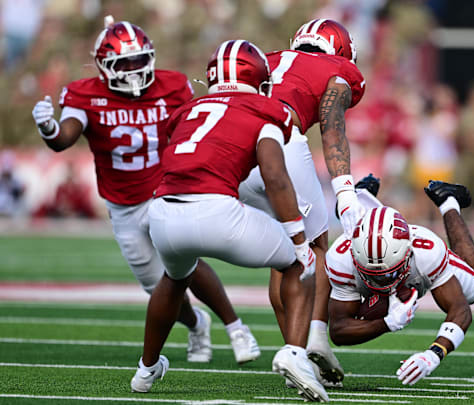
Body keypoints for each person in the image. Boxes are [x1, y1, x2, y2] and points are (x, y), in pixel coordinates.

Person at [30, 17, 259, 366]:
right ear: (104, 66)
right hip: (122, 205)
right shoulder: (85, 94)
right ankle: (198, 323)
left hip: (167, 191)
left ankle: (236, 327)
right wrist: (49, 128)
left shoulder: (173, 86)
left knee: (187, 263)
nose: (134, 70)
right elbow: (64, 139)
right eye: (124, 63)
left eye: (140, 60)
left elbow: (194, 129)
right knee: (161, 289)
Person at [130, 39, 328, 402]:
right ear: (258, 79)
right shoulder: (267, 109)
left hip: (162, 214)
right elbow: (274, 174)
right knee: (300, 264)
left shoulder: (188, 109)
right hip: (216, 212)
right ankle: (295, 355)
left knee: (174, 279)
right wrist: (299, 238)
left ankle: (146, 369)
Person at [237, 18, 366, 385]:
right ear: (341, 50)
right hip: (279, 142)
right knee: (315, 246)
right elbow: (332, 123)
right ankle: (315, 342)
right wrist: (344, 189)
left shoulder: (267, 57)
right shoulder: (339, 69)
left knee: (284, 254)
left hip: (238, 152)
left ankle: (295, 353)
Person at [325, 178, 474, 386]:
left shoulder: (426, 252)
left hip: (414, 260)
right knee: (326, 267)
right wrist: (387, 323)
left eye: (388, 273)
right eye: (373, 274)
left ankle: (448, 202)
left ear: (407, 252)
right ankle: (360, 195)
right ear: (354, 254)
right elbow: (338, 331)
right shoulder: (340, 258)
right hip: (371, 247)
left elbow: (460, 309)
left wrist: (434, 354)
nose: (381, 280)